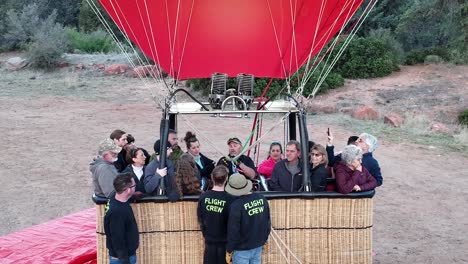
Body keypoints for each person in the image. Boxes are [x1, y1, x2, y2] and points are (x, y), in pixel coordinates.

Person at [225, 173, 271, 264]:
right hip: (258, 245)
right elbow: (268, 222)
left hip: (241, 249)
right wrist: (264, 239)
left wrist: (229, 250)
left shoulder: (236, 206)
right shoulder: (262, 198)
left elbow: (233, 231)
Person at [197, 166, 235, 264]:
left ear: (212, 177)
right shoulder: (231, 199)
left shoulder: (204, 197)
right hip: (225, 242)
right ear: (226, 179)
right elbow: (233, 222)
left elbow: (200, 218)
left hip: (209, 241)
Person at [104, 173, 139, 264]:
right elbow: (117, 238)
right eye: (134, 185)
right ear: (127, 190)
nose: (135, 187)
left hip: (124, 255)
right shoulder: (117, 212)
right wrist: (124, 259)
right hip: (122, 258)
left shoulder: (115, 197)